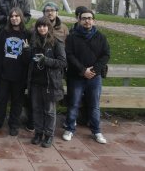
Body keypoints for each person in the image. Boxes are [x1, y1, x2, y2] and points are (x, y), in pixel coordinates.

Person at [63, 9, 110, 144]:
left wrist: (93, 70)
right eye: (84, 18)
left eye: (89, 18)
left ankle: (96, 131)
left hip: (94, 77)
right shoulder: (72, 37)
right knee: (74, 104)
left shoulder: (100, 37)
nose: (87, 21)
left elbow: (105, 55)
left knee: (94, 105)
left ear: (93, 20)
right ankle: (70, 128)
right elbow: (69, 54)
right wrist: (83, 70)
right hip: (76, 77)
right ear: (79, 20)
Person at [0, 7, 31, 136]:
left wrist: (27, 50)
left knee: (17, 101)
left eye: (17, 16)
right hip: (4, 74)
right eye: (12, 16)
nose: (14, 18)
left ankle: (13, 124)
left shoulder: (27, 34)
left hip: (19, 75)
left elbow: (29, 58)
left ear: (21, 18)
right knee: (0, 99)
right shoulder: (4, 33)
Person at [29, 17, 67, 148]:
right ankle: (38, 133)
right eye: (39, 26)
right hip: (35, 82)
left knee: (49, 111)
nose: (42, 28)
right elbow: (30, 61)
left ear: (49, 28)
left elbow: (62, 62)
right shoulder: (33, 42)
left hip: (50, 83)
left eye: (44, 26)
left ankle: (49, 135)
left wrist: (46, 60)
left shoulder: (56, 43)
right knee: (37, 109)